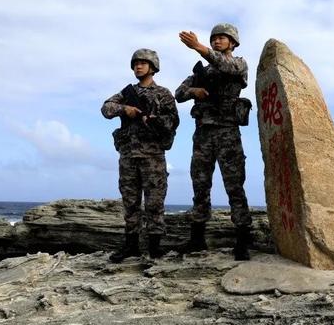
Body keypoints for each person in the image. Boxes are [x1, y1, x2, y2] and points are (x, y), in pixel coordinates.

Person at [176, 23, 252, 260]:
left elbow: (226, 66)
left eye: (222, 38)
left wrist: (199, 47)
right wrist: (194, 92)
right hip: (203, 134)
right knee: (200, 187)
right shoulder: (202, 72)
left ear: (233, 42)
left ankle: (242, 241)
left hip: (228, 133)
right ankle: (197, 239)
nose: (217, 41)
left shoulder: (238, 63)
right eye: (214, 38)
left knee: (234, 187)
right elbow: (178, 93)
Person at [101, 49, 179, 262]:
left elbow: (173, 122)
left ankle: (155, 247)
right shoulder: (127, 93)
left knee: (154, 202)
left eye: (143, 63)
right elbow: (106, 108)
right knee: (130, 202)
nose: (138, 66)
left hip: (153, 155)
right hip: (128, 156)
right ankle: (131, 246)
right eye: (136, 63)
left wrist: (153, 119)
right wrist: (125, 109)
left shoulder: (163, 94)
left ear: (153, 67)